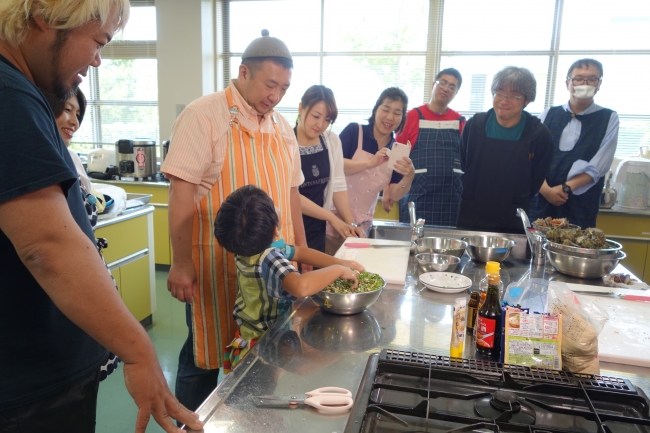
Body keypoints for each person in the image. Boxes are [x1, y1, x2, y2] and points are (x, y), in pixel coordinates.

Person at [0, 1, 202, 432]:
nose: (96, 60)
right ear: (45, 16)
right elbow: (47, 247)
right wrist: (138, 349)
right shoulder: (9, 96)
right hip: (30, 394)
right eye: (97, 42)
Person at [161, 30, 307, 412]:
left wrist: (302, 254)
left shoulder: (281, 127)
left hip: (271, 264)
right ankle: (188, 421)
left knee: (263, 348)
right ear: (243, 72)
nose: (275, 96)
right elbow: (180, 193)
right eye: (270, 84)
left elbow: (292, 195)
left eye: (285, 88)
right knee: (203, 354)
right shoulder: (203, 115)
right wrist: (180, 263)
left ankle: (248, 420)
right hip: (214, 265)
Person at [214, 185, 364, 371]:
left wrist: (339, 261)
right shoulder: (270, 257)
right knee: (299, 370)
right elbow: (301, 287)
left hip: (248, 337)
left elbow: (299, 253)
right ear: (275, 230)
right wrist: (338, 269)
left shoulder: (245, 247)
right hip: (265, 345)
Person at [457, 66, 553, 233]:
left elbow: (536, 180)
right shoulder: (475, 125)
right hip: (471, 214)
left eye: (514, 95)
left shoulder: (538, 134)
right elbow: (465, 164)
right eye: (499, 92)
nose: (504, 100)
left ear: (527, 100)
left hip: (513, 218)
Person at [529, 59, 619, 229]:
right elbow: (531, 157)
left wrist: (565, 189)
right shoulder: (548, 114)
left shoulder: (608, 118)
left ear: (599, 84)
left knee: (576, 248)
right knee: (536, 246)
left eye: (592, 79)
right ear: (568, 83)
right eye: (578, 78)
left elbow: (599, 165)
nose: (585, 84)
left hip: (580, 201)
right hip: (542, 197)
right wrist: (546, 190)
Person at [333, 87, 415, 247]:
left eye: (397, 113)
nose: (390, 117)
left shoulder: (396, 150)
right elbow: (335, 166)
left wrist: (409, 176)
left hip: (361, 227)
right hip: (334, 219)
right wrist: (369, 163)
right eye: (386, 109)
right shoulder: (354, 132)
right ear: (376, 109)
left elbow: (395, 194)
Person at [294, 85, 366, 252]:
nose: (320, 124)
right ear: (301, 108)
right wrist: (331, 218)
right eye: (316, 116)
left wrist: (351, 225)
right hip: (292, 229)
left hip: (317, 229)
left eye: (327, 120)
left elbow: (338, 186)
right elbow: (291, 195)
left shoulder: (331, 141)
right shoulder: (287, 141)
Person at [396, 68, 466, 226]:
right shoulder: (411, 117)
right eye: (443, 82)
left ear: (456, 93)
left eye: (452, 86)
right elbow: (397, 157)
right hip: (417, 196)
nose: (446, 88)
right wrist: (391, 189)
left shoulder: (460, 121)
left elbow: (467, 160)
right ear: (433, 84)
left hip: (452, 200)